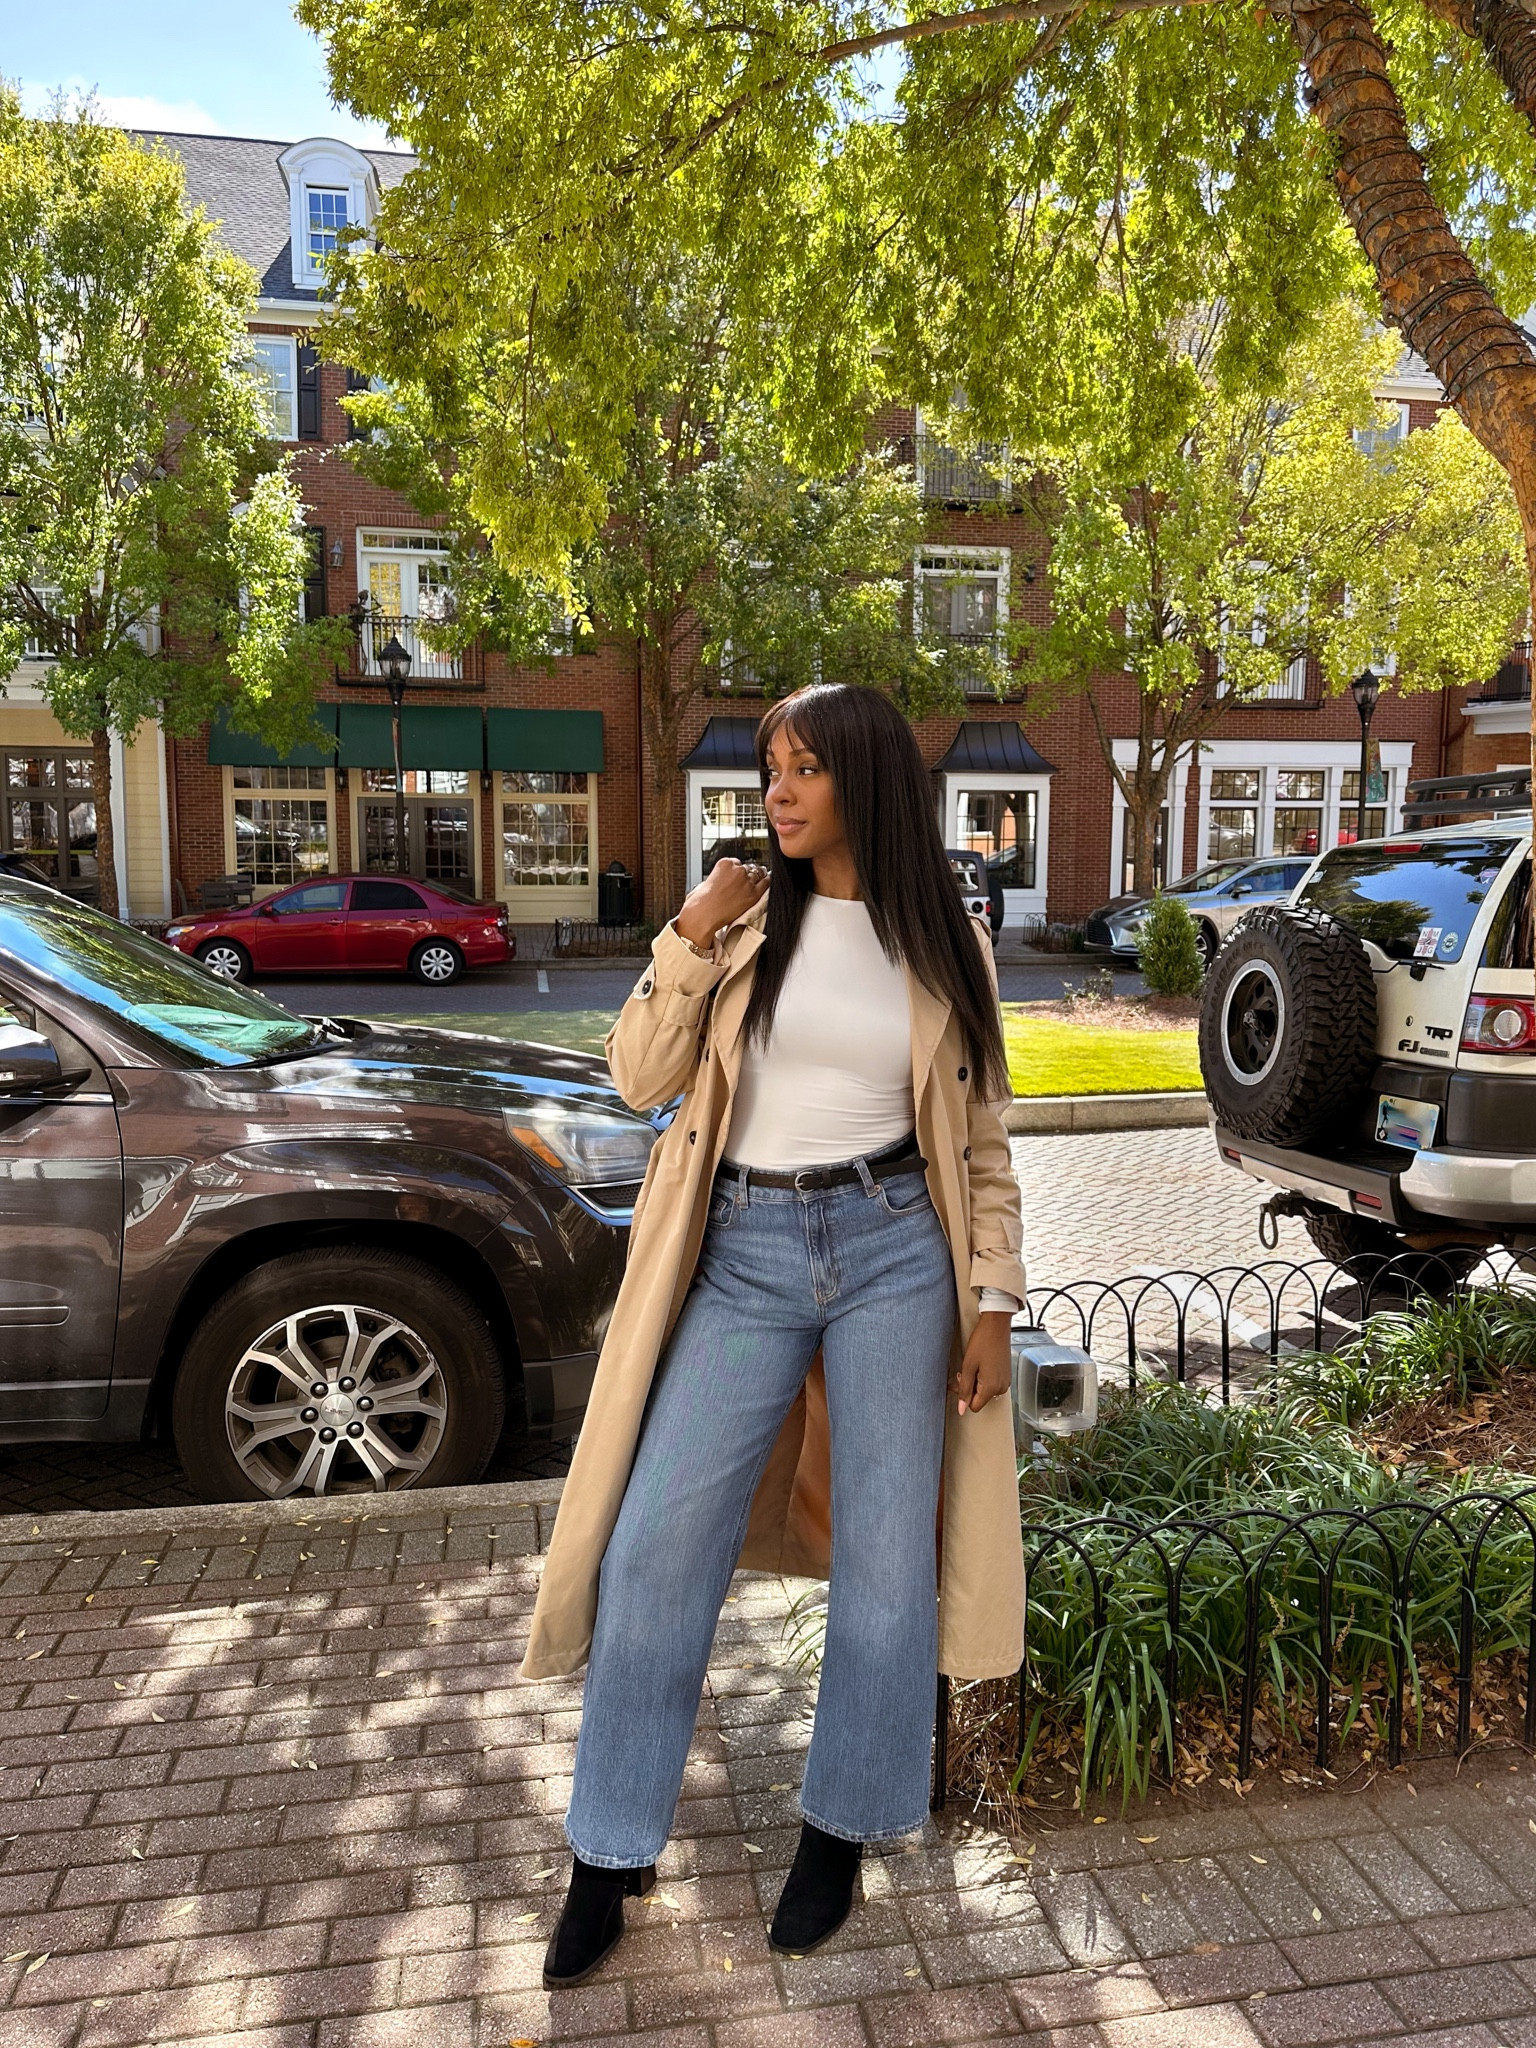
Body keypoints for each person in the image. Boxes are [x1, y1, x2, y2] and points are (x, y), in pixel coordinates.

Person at [522, 682, 1028, 1987]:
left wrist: (993, 1304)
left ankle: (841, 1831)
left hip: (896, 1253)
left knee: (883, 1556)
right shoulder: (746, 925)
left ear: (865, 778)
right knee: (654, 1547)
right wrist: (685, 937)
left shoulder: (944, 943)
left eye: (804, 770)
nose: (778, 793)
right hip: (743, 1253)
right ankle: (608, 1850)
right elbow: (638, 1074)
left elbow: (981, 1146)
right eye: (772, 771)